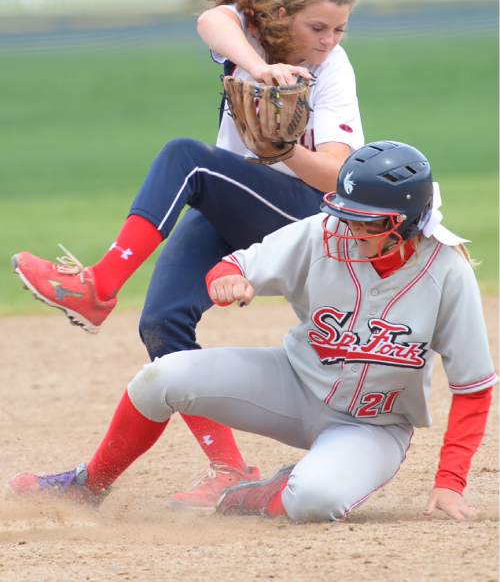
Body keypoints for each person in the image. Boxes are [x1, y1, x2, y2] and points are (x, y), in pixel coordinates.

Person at [12, 0, 364, 509]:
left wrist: (282, 151)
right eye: (317, 27)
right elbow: (214, 20)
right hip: (231, 201)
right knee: (161, 323)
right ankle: (209, 469)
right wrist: (259, 67)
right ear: (282, 16)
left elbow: (337, 173)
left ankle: (99, 287)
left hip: (304, 219)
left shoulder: (333, 70)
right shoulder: (248, 38)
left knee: (187, 159)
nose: (329, 39)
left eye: (339, 28)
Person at [9, 141, 497, 522]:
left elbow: (473, 387)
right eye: (343, 212)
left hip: (371, 426)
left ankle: (261, 494)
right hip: (291, 383)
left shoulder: (446, 275)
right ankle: (88, 484)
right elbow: (235, 262)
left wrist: (449, 483)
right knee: (163, 377)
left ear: (401, 224)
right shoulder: (322, 233)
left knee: (315, 500)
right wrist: (228, 279)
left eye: (362, 220)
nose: (345, 226)